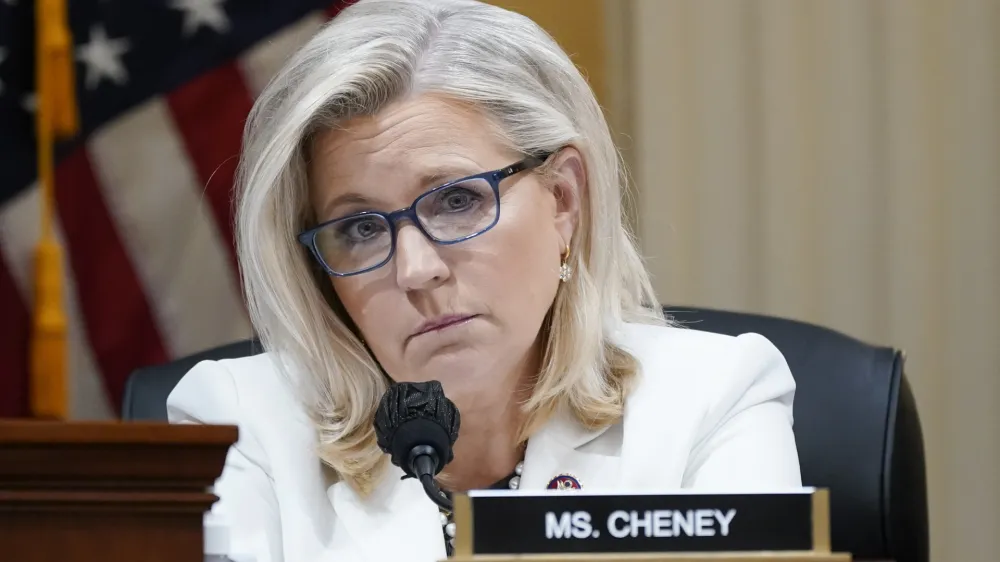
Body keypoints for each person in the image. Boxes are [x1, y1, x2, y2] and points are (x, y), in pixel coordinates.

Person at [167, 0, 802, 560]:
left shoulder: (712, 400)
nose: (416, 269)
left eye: (455, 201)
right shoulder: (239, 424)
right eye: (360, 228)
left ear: (562, 199)